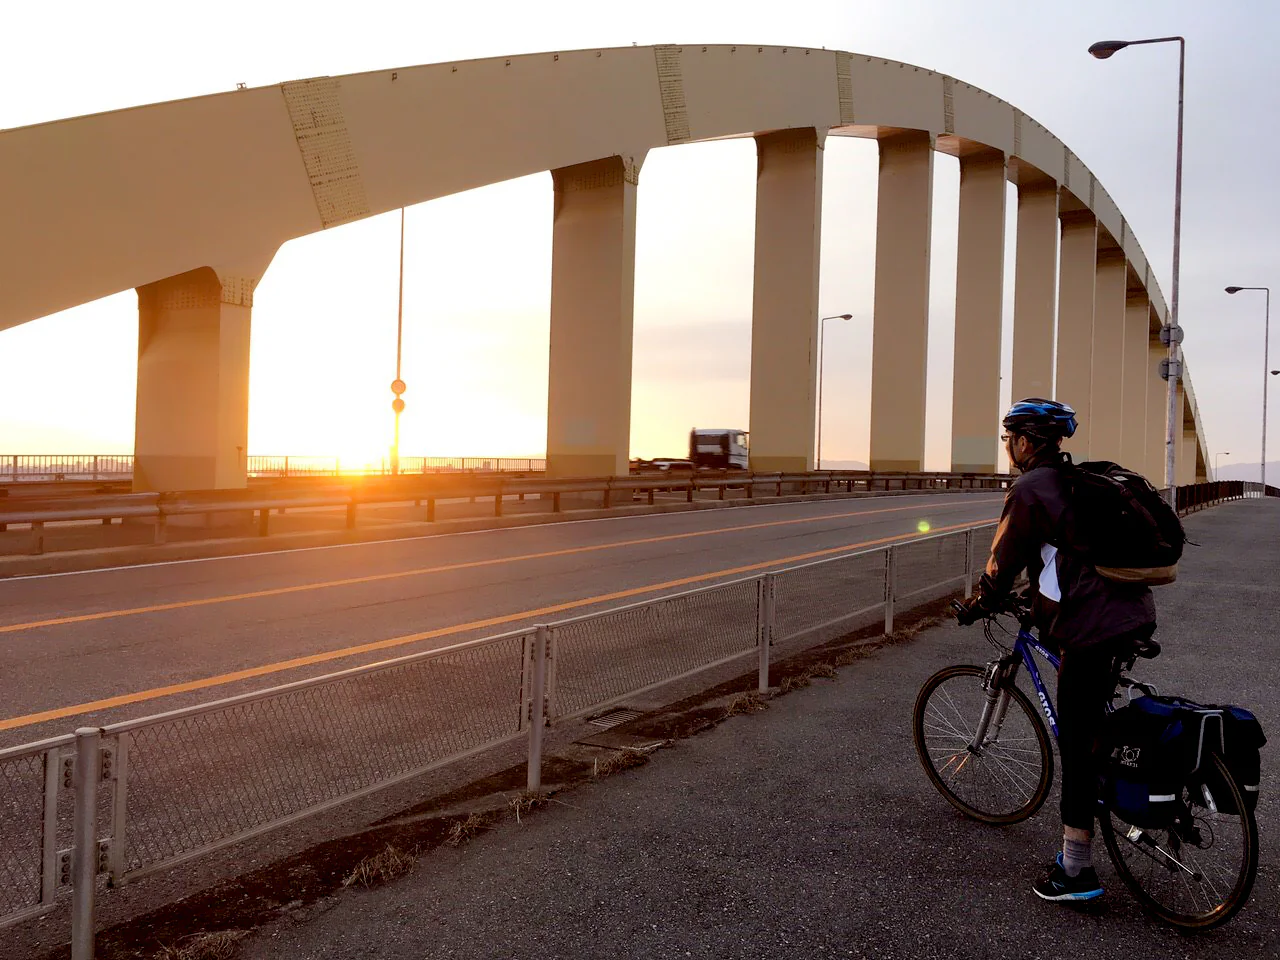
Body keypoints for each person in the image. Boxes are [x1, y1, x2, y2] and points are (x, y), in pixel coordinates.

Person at [956, 398, 1157, 902]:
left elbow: (1007, 556)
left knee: (1076, 743)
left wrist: (981, 601)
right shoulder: (1078, 482)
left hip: (1091, 626)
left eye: (1009, 440)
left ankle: (1076, 871)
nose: (1008, 449)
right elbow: (1068, 557)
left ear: (1025, 442)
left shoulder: (1031, 487)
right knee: (1096, 721)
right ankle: (1116, 775)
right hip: (1128, 612)